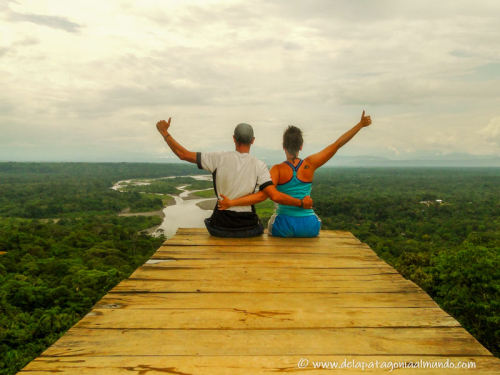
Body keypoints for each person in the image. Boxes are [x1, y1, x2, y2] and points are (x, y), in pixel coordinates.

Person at [217, 110, 372, 237]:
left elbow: (264, 196)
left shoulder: (277, 170)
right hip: (310, 226)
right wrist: (360, 125)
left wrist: (232, 202)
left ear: (283, 146)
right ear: (301, 146)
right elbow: (337, 144)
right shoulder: (310, 164)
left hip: (284, 226)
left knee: (269, 225)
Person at [156, 118, 313, 238]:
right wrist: (300, 202)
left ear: (233, 139)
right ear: (253, 140)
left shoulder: (218, 158)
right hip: (248, 228)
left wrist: (164, 133)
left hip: (220, 227)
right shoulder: (260, 165)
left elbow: (183, 154)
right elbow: (271, 195)